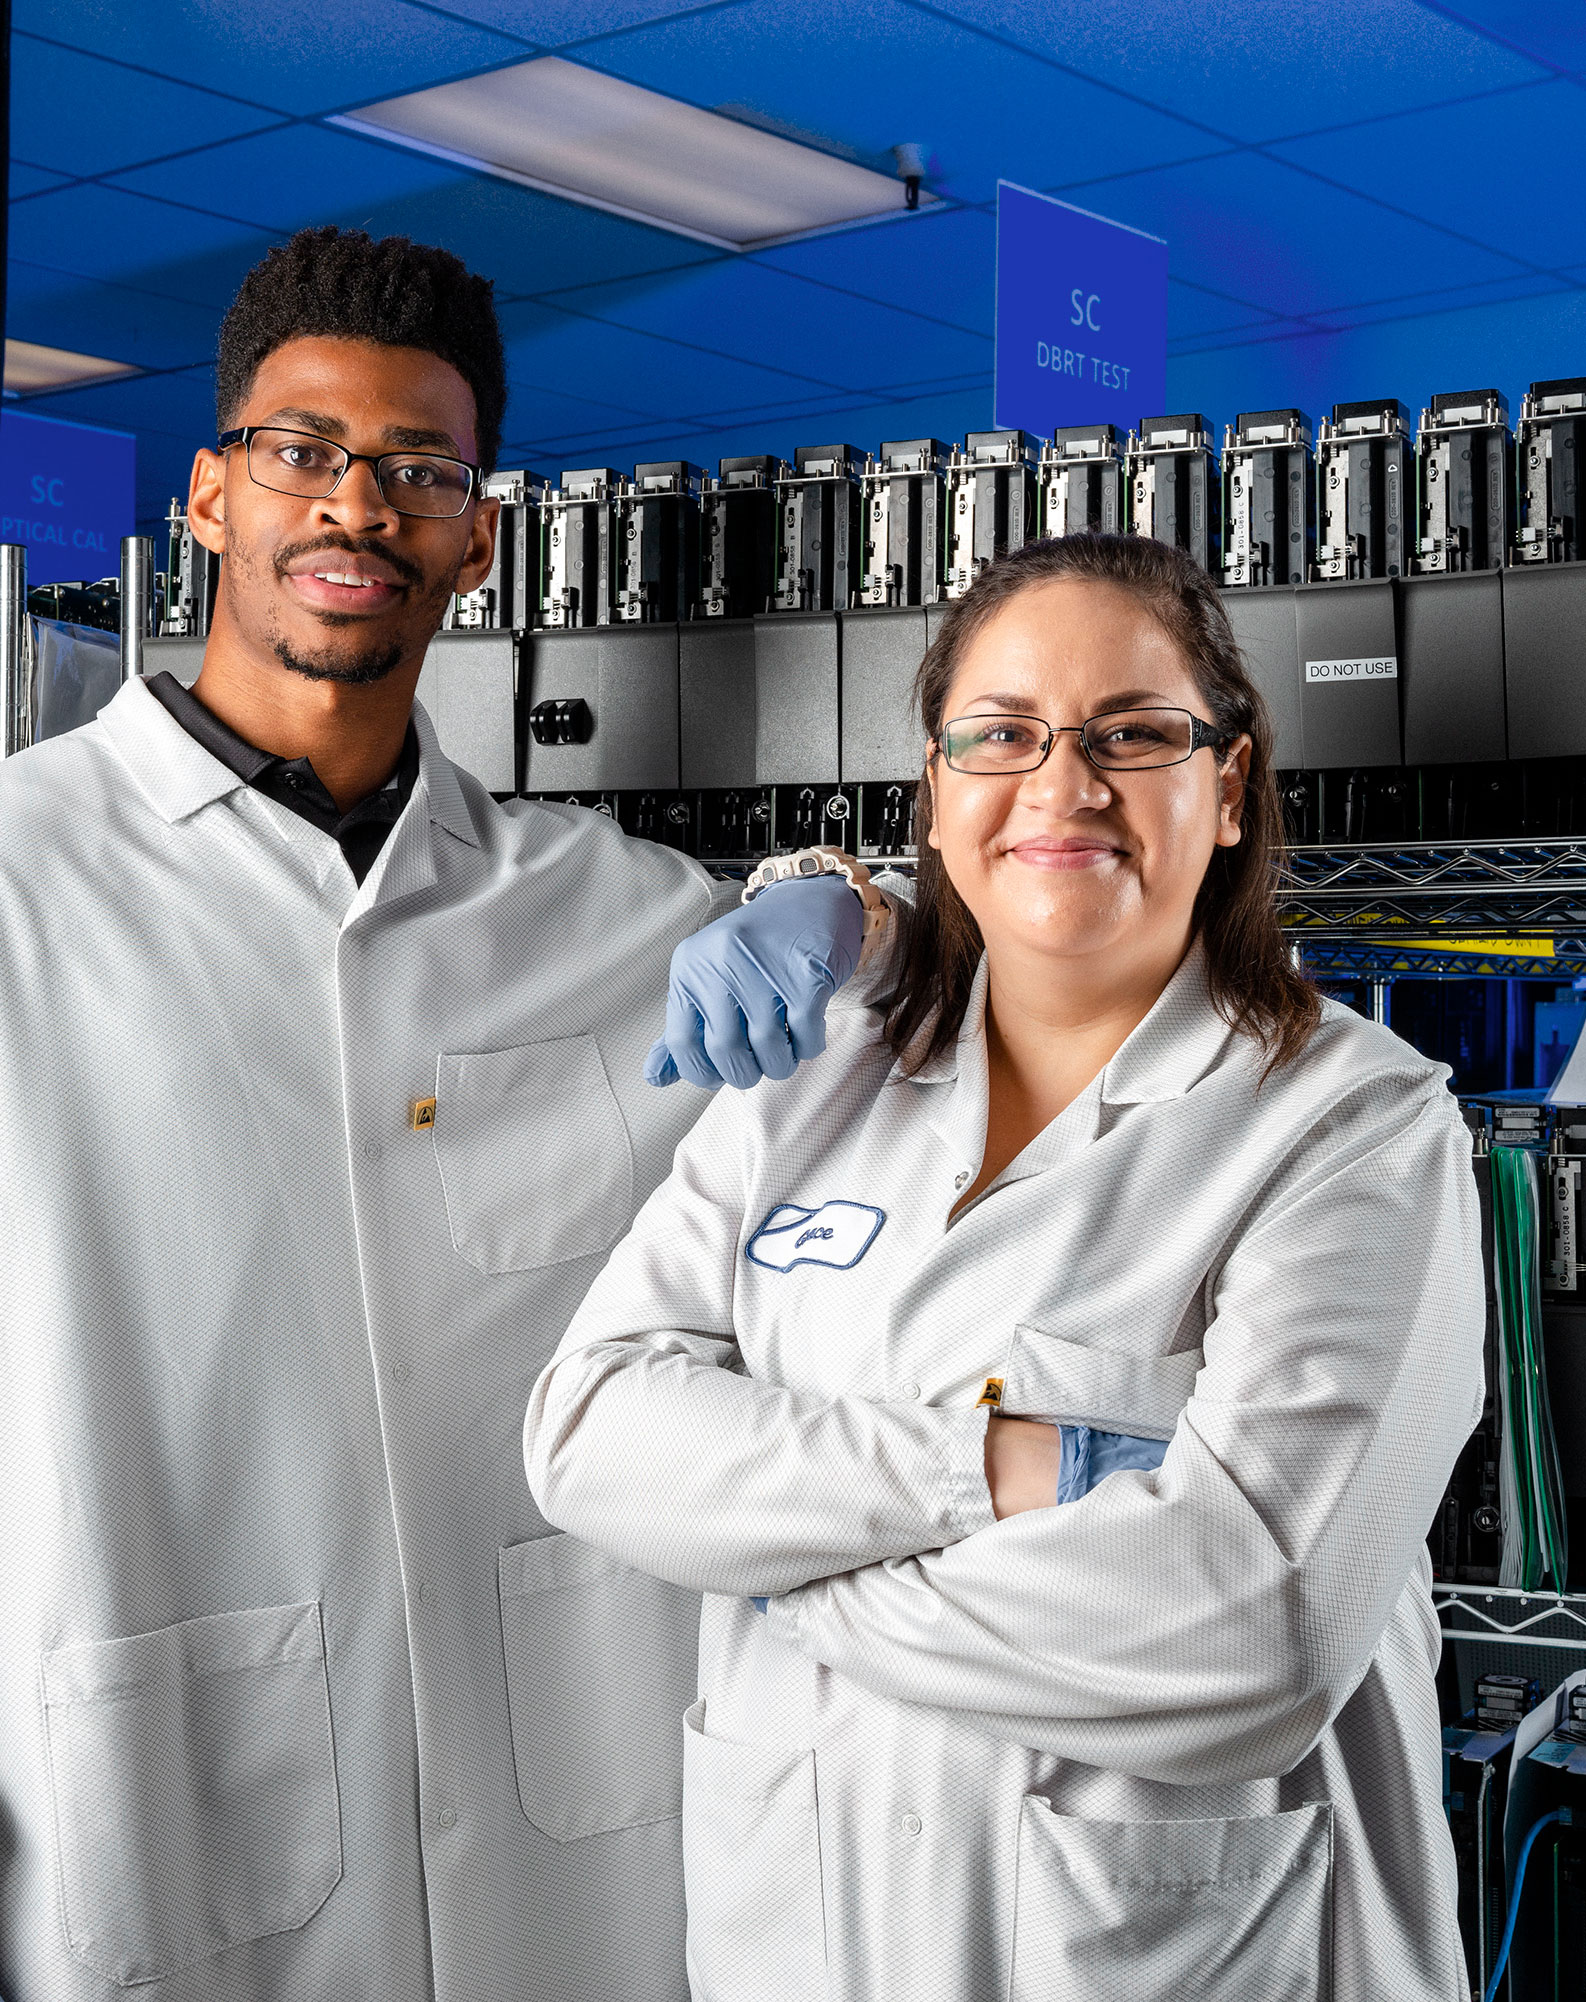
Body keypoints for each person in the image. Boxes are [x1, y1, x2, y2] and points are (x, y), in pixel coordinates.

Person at [0, 227, 884, 2002]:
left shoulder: (611, 910)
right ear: (209, 500)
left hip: (588, 1867)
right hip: (145, 1852)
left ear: (479, 531)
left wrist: (841, 897)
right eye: (303, 451)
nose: (359, 504)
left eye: (419, 468)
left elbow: (972, 986)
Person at [526, 532, 1485, 2002]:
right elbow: (586, 1432)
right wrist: (1001, 1470)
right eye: (1003, 733)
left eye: (1133, 732)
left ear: (1226, 787)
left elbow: (1251, 1634)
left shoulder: (1352, 1125)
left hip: (1163, 1946)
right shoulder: (812, 1075)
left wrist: (789, 1577)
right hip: (801, 1936)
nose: (1061, 784)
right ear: (936, 787)